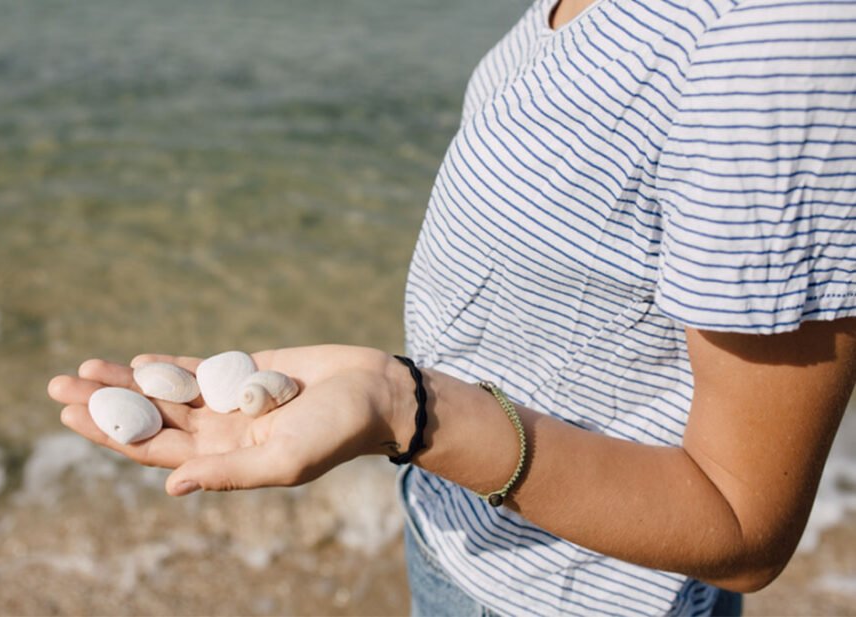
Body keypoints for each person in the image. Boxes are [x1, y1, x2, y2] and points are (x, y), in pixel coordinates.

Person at [48, 0, 856, 614]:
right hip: (464, 534)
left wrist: (408, 409)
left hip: (578, 596)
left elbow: (741, 525)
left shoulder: (774, 47)